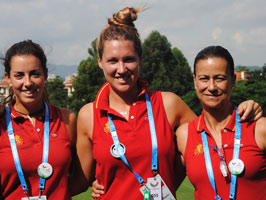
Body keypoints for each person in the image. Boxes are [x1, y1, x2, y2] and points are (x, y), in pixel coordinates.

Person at [77, 7, 262, 199]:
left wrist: (245, 107)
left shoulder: (168, 104)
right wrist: (91, 182)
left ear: (141, 59)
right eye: (112, 60)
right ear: (100, 61)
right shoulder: (88, 115)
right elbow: (81, 180)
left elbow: (209, 140)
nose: (121, 69)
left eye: (129, 59)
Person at [0, 40, 85, 200]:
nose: (28, 82)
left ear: (45, 74)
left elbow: (82, 179)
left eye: (35, 74)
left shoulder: (67, 119)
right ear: (7, 78)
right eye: (19, 75)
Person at [175, 46, 266, 200]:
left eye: (219, 78)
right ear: (195, 82)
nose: (211, 87)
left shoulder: (259, 128)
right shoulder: (184, 135)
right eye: (204, 78)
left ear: (232, 81)